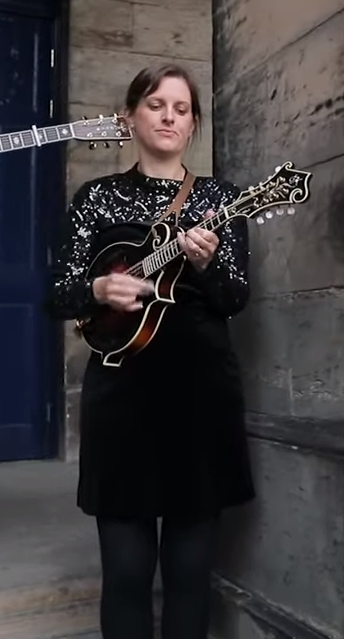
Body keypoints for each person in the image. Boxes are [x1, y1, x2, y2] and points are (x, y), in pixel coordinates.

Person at [48, 63, 254, 639]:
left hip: (200, 393)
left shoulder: (219, 199)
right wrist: (96, 288)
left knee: (191, 573)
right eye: (156, 105)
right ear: (132, 117)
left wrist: (208, 264)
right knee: (126, 571)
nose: (168, 116)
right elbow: (58, 296)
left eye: (181, 109)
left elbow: (236, 298)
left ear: (193, 126)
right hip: (122, 394)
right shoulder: (97, 198)